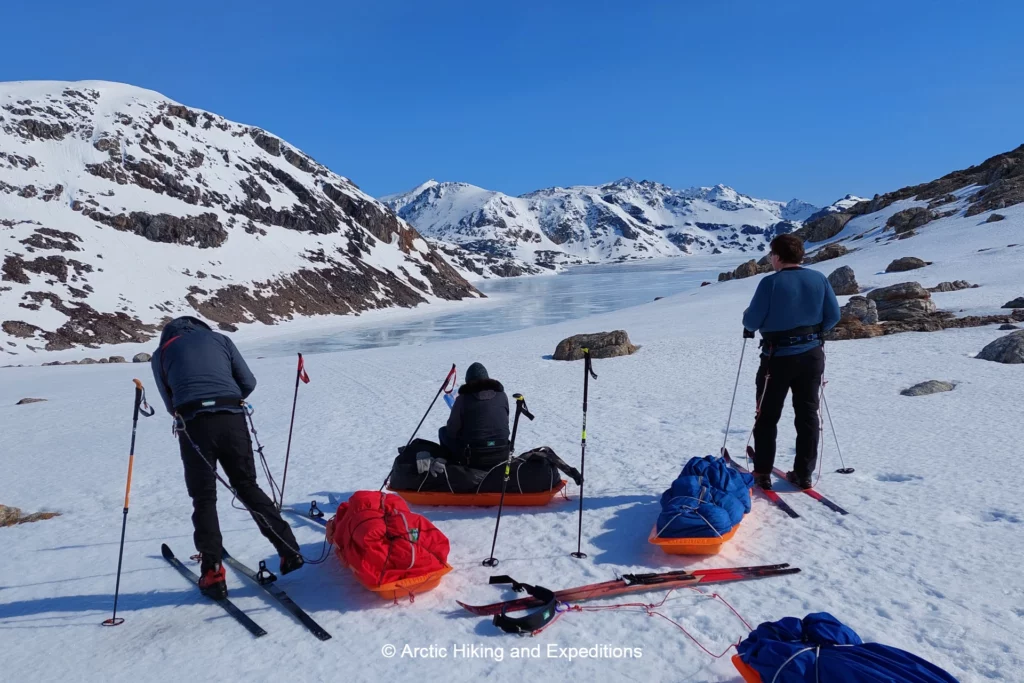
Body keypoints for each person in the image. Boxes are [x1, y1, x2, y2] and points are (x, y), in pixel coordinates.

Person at [151, 316, 302, 599]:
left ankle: (213, 572)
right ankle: (288, 549)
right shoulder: (221, 340)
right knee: (246, 485)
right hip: (232, 418)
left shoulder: (161, 354)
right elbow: (248, 381)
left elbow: (169, 402)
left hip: (193, 424)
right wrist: (226, 397)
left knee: (204, 498)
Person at [741, 234, 841, 491]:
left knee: (767, 415)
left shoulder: (770, 283)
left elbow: (752, 321)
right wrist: (813, 333)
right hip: (811, 356)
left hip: (777, 357)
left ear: (776, 256)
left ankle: (762, 472)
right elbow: (834, 315)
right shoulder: (819, 278)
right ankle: (804, 473)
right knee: (807, 414)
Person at [438, 362, 510, 466]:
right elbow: (504, 421)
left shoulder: (462, 399)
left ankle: (453, 469)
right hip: (502, 450)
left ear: (468, 381)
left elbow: (451, 430)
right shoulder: (502, 396)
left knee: (443, 432)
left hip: (474, 455)